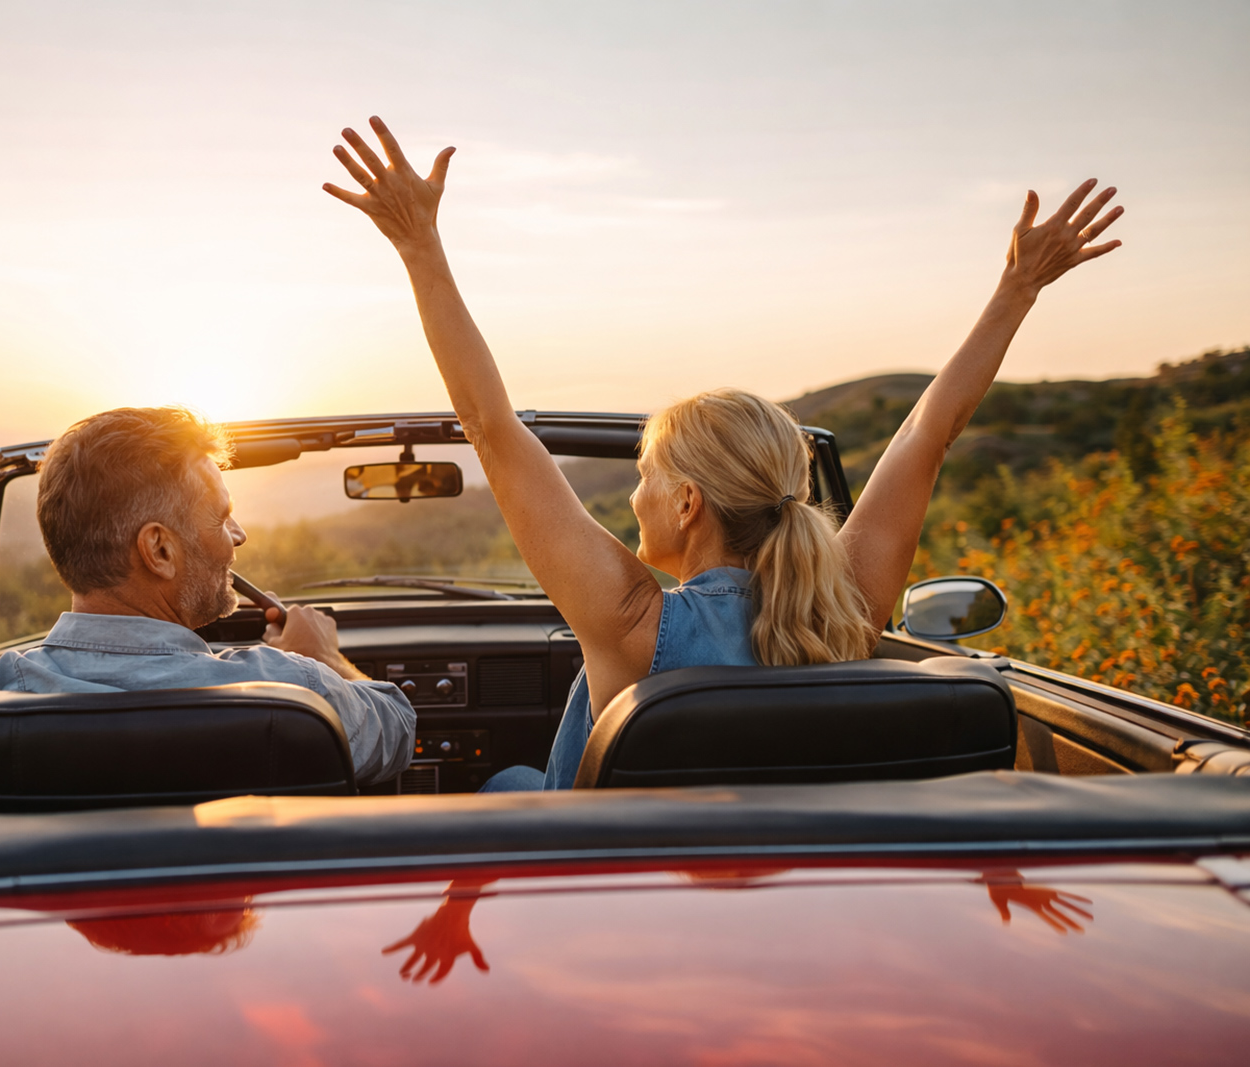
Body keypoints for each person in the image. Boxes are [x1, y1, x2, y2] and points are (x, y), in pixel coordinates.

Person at [324, 116, 1123, 790]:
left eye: (646, 477)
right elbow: (928, 433)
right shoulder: (848, 610)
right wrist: (1017, 289)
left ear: (687, 503)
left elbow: (491, 428)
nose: (633, 497)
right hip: (788, 901)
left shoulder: (634, 623)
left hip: (617, 910)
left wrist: (419, 248)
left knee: (508, 784)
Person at [0, 406, 416, 789]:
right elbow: (398, 729)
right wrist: (323, 660)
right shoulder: (293, 689)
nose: (237, 536)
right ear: (159, 549)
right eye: (221, 517)